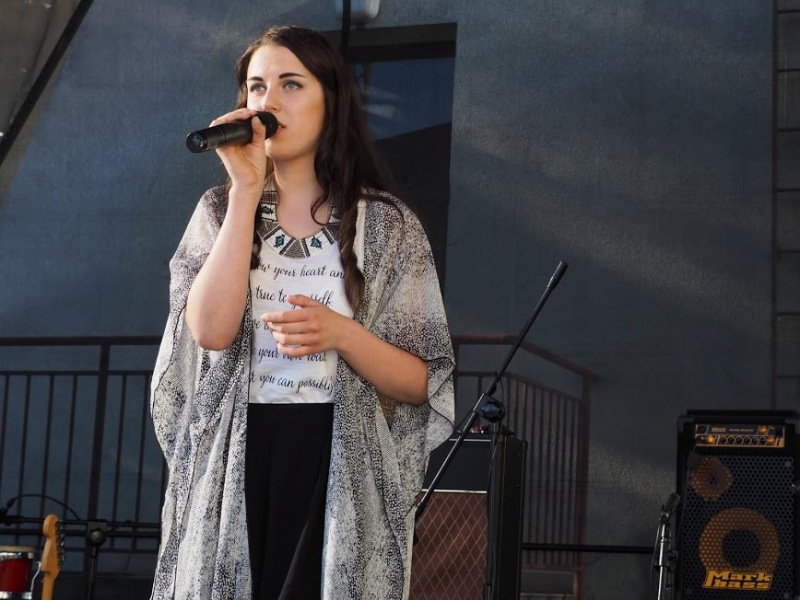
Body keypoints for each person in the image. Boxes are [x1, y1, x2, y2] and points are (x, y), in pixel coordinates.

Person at [149, 24, 455, 600]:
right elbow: (210, 332)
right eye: (256, 86)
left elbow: (422, 380)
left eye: (291, 84)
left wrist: (343, 334)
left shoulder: (386, 224)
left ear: (330, 102)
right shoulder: (218, 209)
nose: (268, 101)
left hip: (337, 456)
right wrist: (246, 189)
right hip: (237, 452)